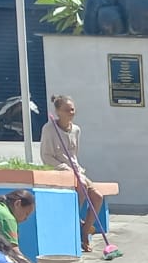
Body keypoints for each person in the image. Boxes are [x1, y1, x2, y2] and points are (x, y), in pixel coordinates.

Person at [39, 96, 113, 254]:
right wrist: (65, 169)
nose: (71, 112)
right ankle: (73, 221)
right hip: (59, 169)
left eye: (72, 109)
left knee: (97, 196)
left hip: (76, 171)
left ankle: (84, 230)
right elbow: (46, 156)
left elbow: (74, 155)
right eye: (67, 110)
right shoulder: (49, 129)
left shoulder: (76, 130)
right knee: (81, 186)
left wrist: (76, 170)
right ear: (58, 112)